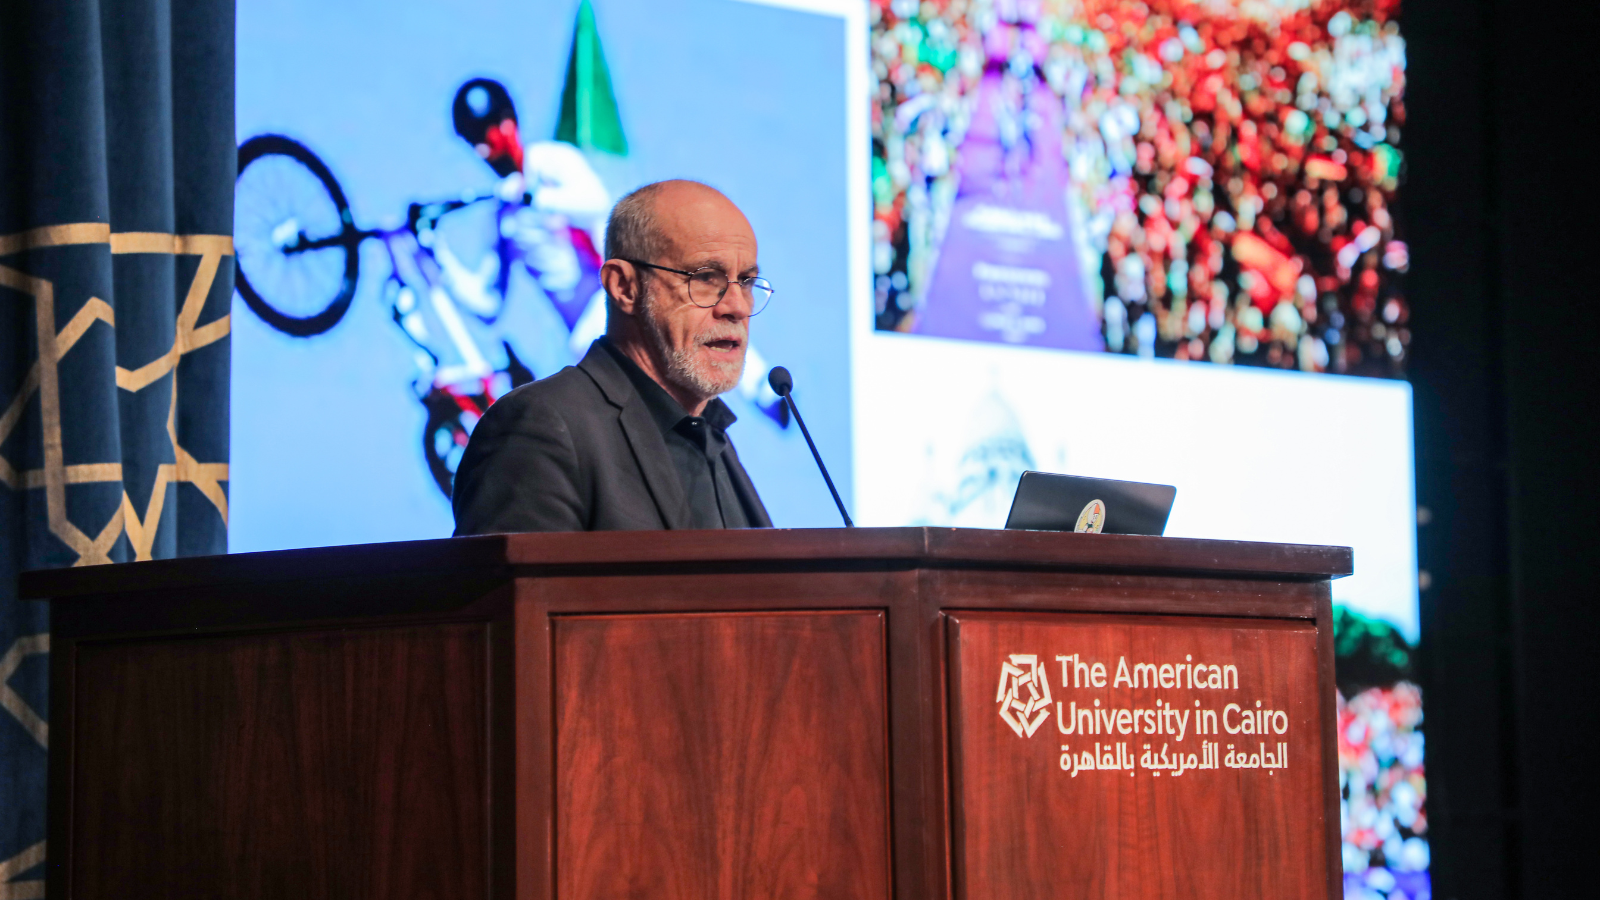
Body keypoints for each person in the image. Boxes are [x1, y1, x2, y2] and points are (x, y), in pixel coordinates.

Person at [451, 180, 776, 533]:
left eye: (745, 282)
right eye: (705, 277)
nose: (738, 306)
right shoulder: (539, 427)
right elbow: (523, 589)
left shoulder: (710, 437)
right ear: (624, 287)